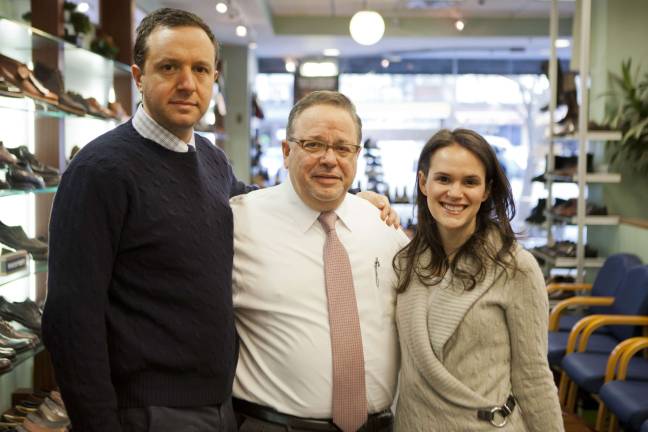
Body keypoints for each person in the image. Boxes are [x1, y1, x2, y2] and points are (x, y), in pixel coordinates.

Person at [41, 8, 247, 432]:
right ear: (138, 76)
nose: (187, 83)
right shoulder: (100, 171)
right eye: (169, 67)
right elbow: (69, 319)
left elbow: (260, 204)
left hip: (219, 405)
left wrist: (352, 201)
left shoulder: (210, 159)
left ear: (214, 79)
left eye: (201, 69)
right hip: (146, 415)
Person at [230, 90, 409, 432]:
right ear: (286, 151)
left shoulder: (384, 229)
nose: (330, 159)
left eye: (343, 148)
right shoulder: (239, 222)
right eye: (313, 145)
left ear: (356, 155)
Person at [393, 129, 564, 431]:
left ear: (486, 190)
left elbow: (534, 376)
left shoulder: (517, 269)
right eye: (443, 179)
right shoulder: (405, 260)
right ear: (423, 183)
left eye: (470, 181)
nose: (455, 193)